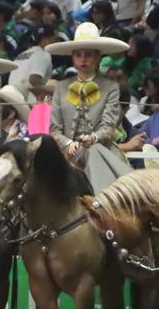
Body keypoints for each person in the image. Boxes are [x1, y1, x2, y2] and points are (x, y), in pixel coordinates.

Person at [46, 22, 132, 193]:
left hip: (99, 148)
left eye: (89, 55)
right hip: (67, 150)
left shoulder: (110, 87)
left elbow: (108, 129)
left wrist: (93, 138)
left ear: (98, 57)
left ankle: (103, 199)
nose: (83, 59)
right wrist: (68, 142)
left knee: (94, 153)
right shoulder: (61, 87)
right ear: (73, 57)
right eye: (78, 55)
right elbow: (54, 129)